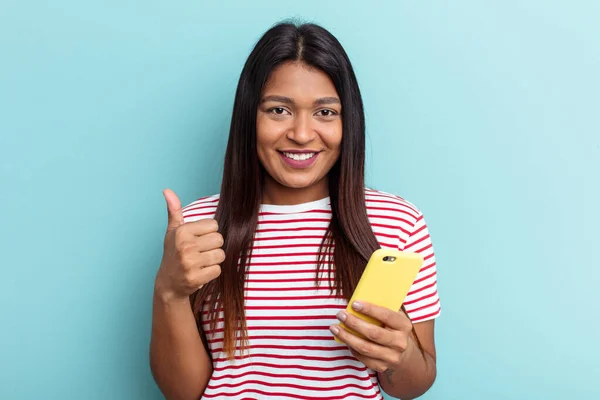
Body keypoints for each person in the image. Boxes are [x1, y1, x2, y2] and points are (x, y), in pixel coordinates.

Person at [150, 22, 441, 400]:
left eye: (325, 112)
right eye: (279, 110)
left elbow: (415, 385)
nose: (302, 134)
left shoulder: (397, 222)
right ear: (249, 119)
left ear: (347, 121)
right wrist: (168, 291)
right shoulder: (199, 228)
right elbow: (183, 393)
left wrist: (397, 356)